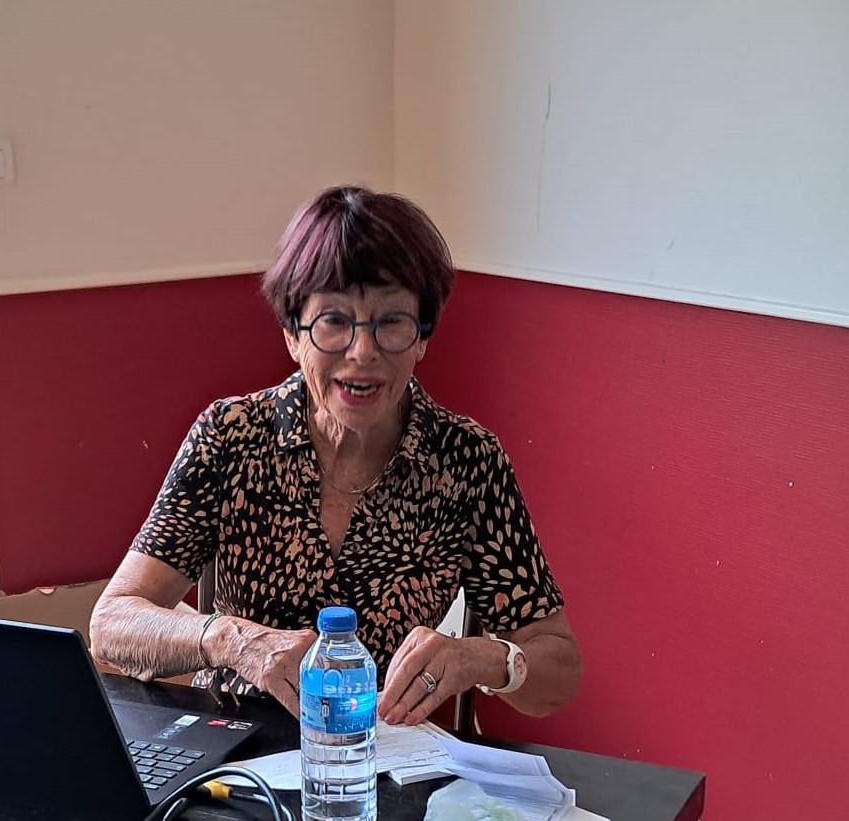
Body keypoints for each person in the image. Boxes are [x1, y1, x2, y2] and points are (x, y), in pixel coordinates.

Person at [89, 185, 581, 725]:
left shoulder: (467, 461)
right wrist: (232, 640)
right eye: (334, 321)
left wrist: (483, 658)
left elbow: (558, 668)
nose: (363, 352)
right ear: (292, 335)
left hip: (386, 755)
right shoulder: (230, 437)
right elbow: (112, 623)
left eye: (391, 322)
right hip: (239, 744)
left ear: (422, 338)